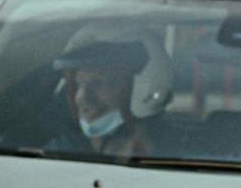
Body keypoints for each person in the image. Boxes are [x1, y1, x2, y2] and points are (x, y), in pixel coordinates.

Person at [51, 28, 173, 159]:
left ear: (143, 86)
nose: (82, 97)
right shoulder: (55, 155)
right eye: (77, 84)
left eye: (98, 82)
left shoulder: (179, 153)